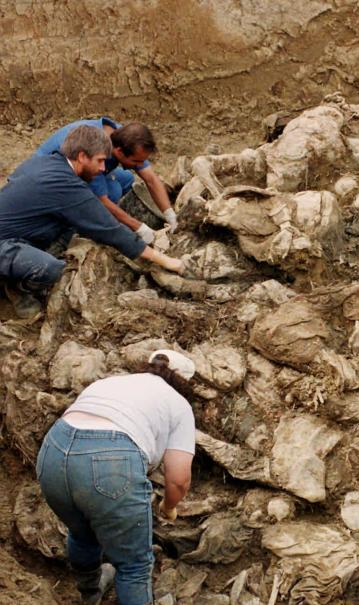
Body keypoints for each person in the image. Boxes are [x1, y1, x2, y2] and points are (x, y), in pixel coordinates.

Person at [36, 349, 197, 605]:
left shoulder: (111, 382)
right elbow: (178, 480)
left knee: (81, 532)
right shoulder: (179, 404)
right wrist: (168, 507)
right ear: (184, 383)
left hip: (53, 453)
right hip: (110, 463)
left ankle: (89, 593)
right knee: (134, 565)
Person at [0, 125, 184, 318]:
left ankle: (25, 262)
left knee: (73, 222)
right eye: (100, 161)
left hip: (17, 231)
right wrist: (167, 261)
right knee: (52, 269)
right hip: (4, 244)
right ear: (81, 156)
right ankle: (16, 288)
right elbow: (110, 228)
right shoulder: (64, 185)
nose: (103, 168)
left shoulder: (49, 162)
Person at [34, 116, 178, 244]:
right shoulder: (94, 152)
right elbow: (102, 200)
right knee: (113, 192)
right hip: (50, 181)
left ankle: (119, 219)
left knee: (126, 179)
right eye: (136, 161)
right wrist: (139, 228)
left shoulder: (122, 136)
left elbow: (151, 179)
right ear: (119, 152)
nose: (139, 166)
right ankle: (77, 231)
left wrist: (170, 214)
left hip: (81, 169)